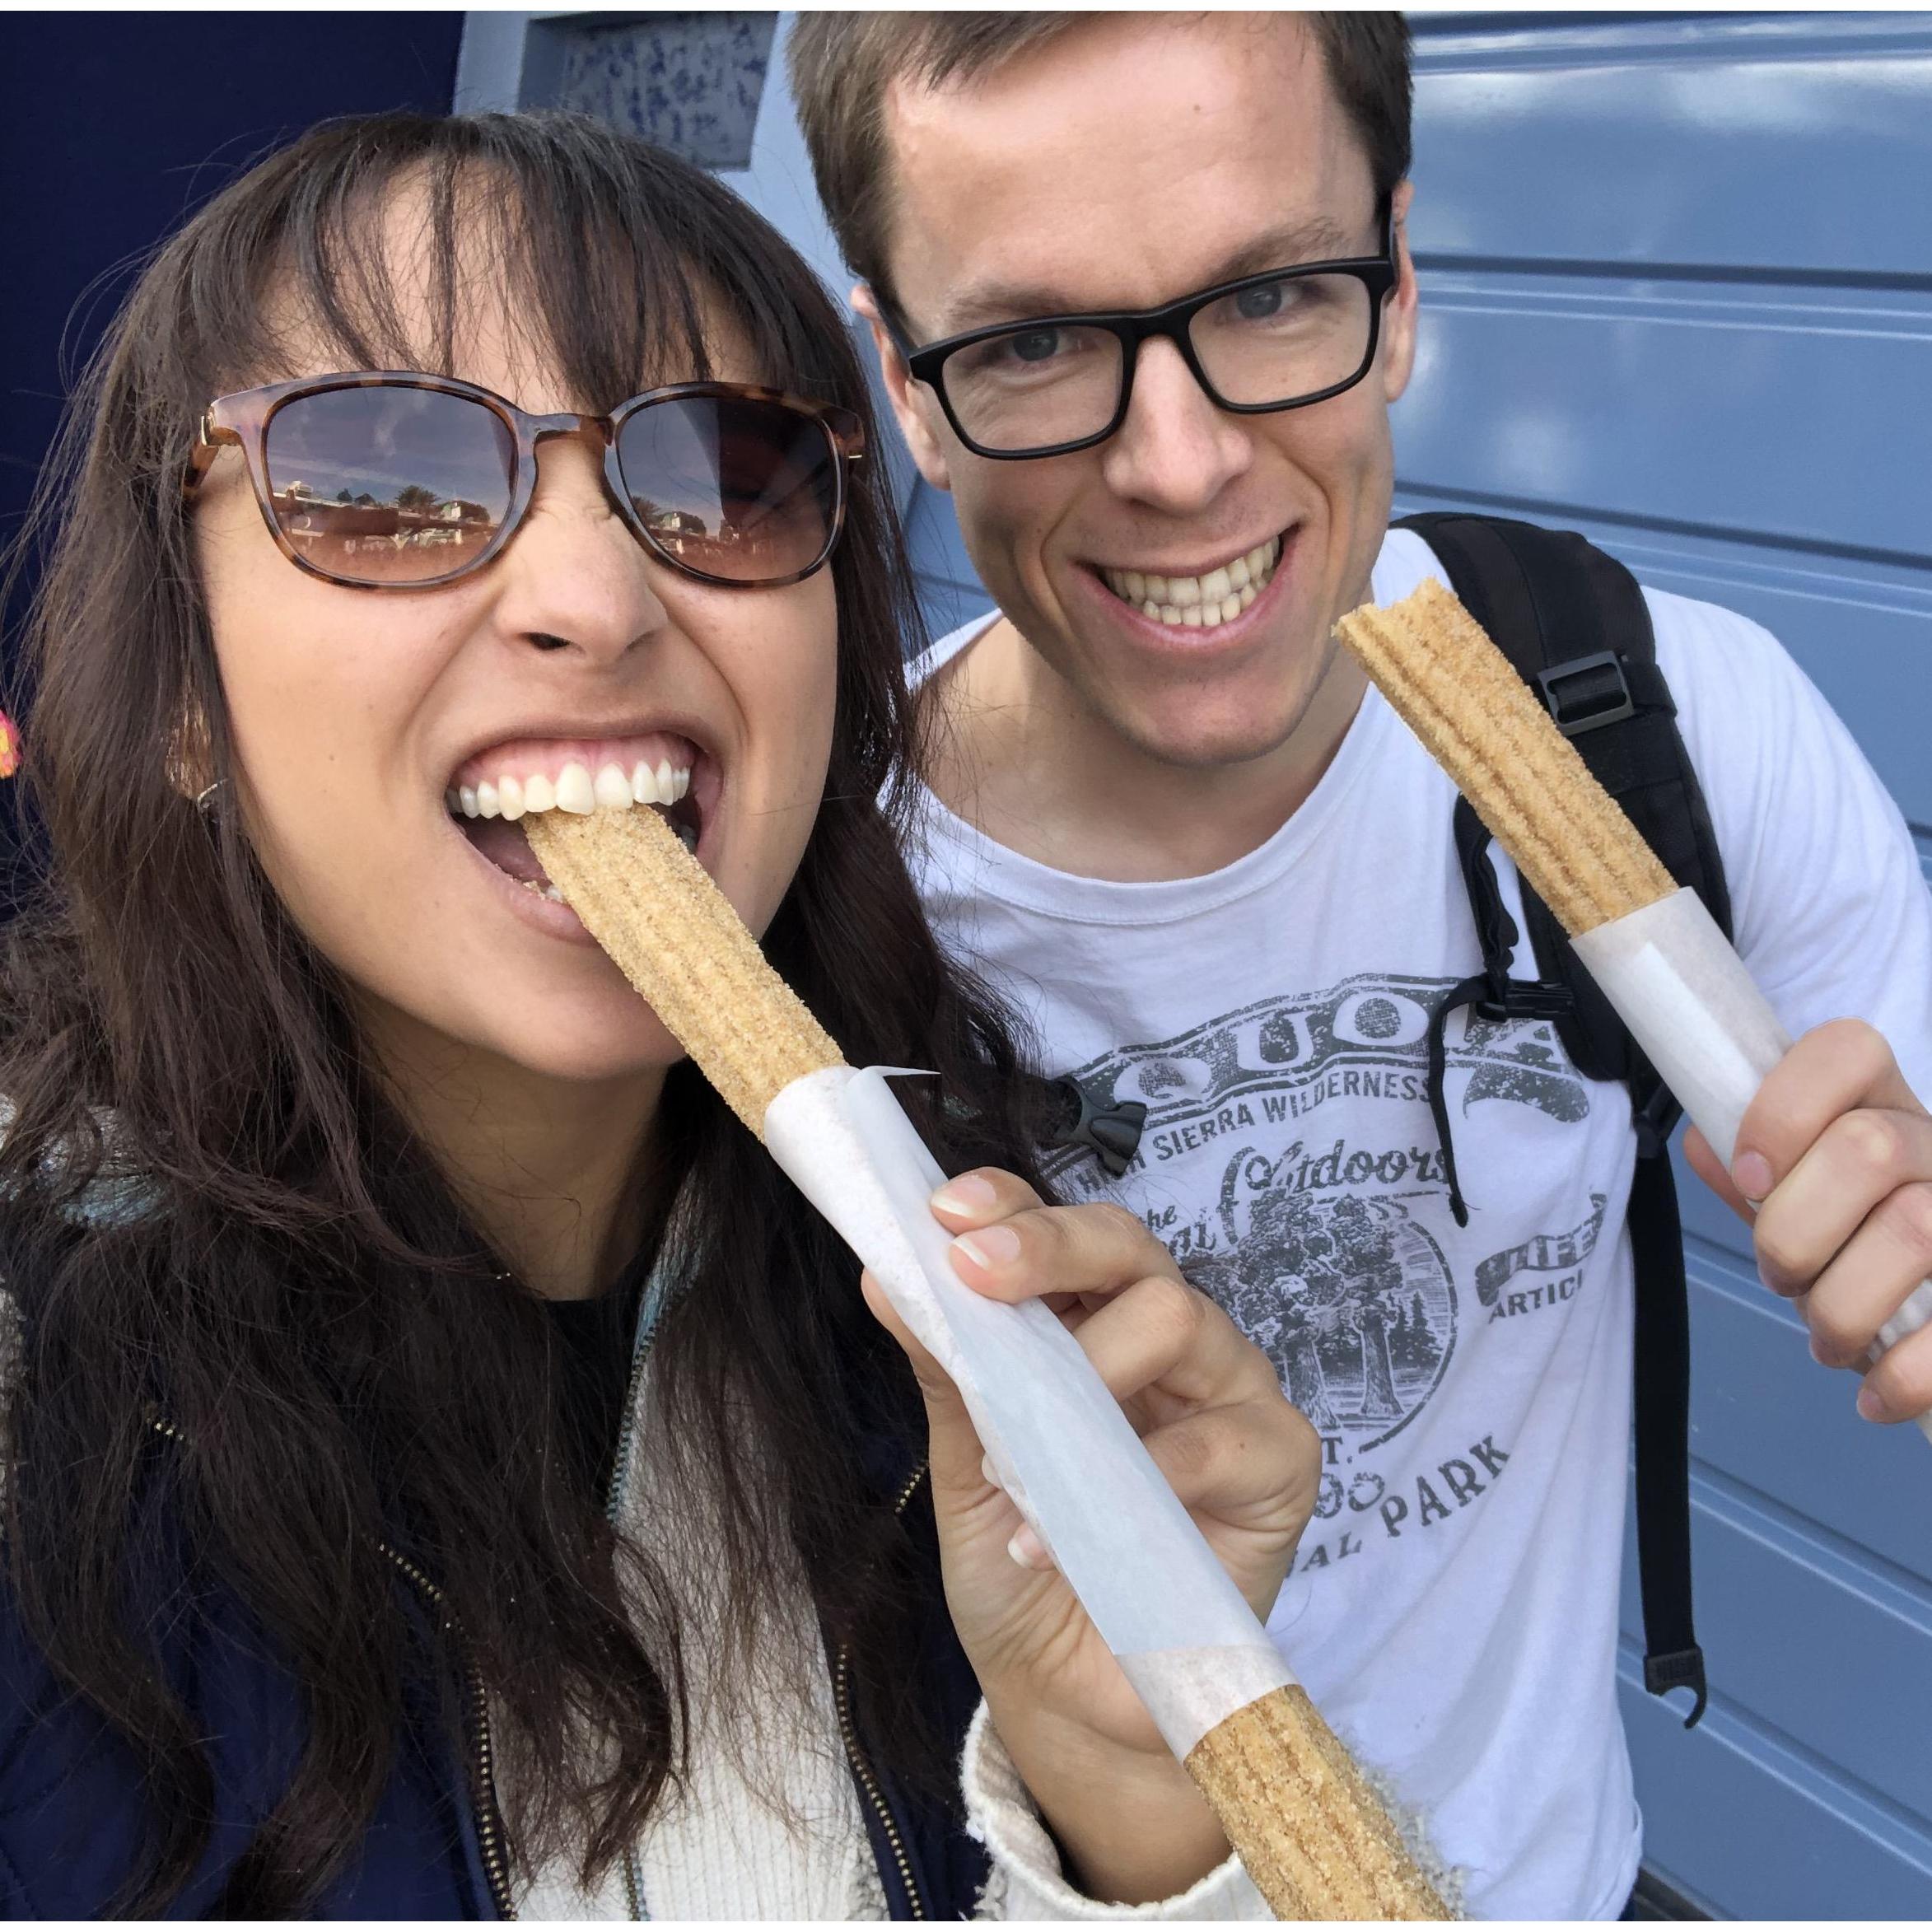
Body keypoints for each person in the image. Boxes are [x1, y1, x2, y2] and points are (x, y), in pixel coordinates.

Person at [0, 110, 1319, 1919]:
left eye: (722, 472)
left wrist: (1132, 1814)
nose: (595, 598)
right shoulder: (40, 1433)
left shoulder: (967, 1317)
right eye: (385, 476)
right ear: (186, 705)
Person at [787, 12, 1932, 1919]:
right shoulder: (827, 925)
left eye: (1270, 296)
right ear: (905, 384)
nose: (1178, 463)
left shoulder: (1664, 717)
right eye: (1036, 343)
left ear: (1397, 287)